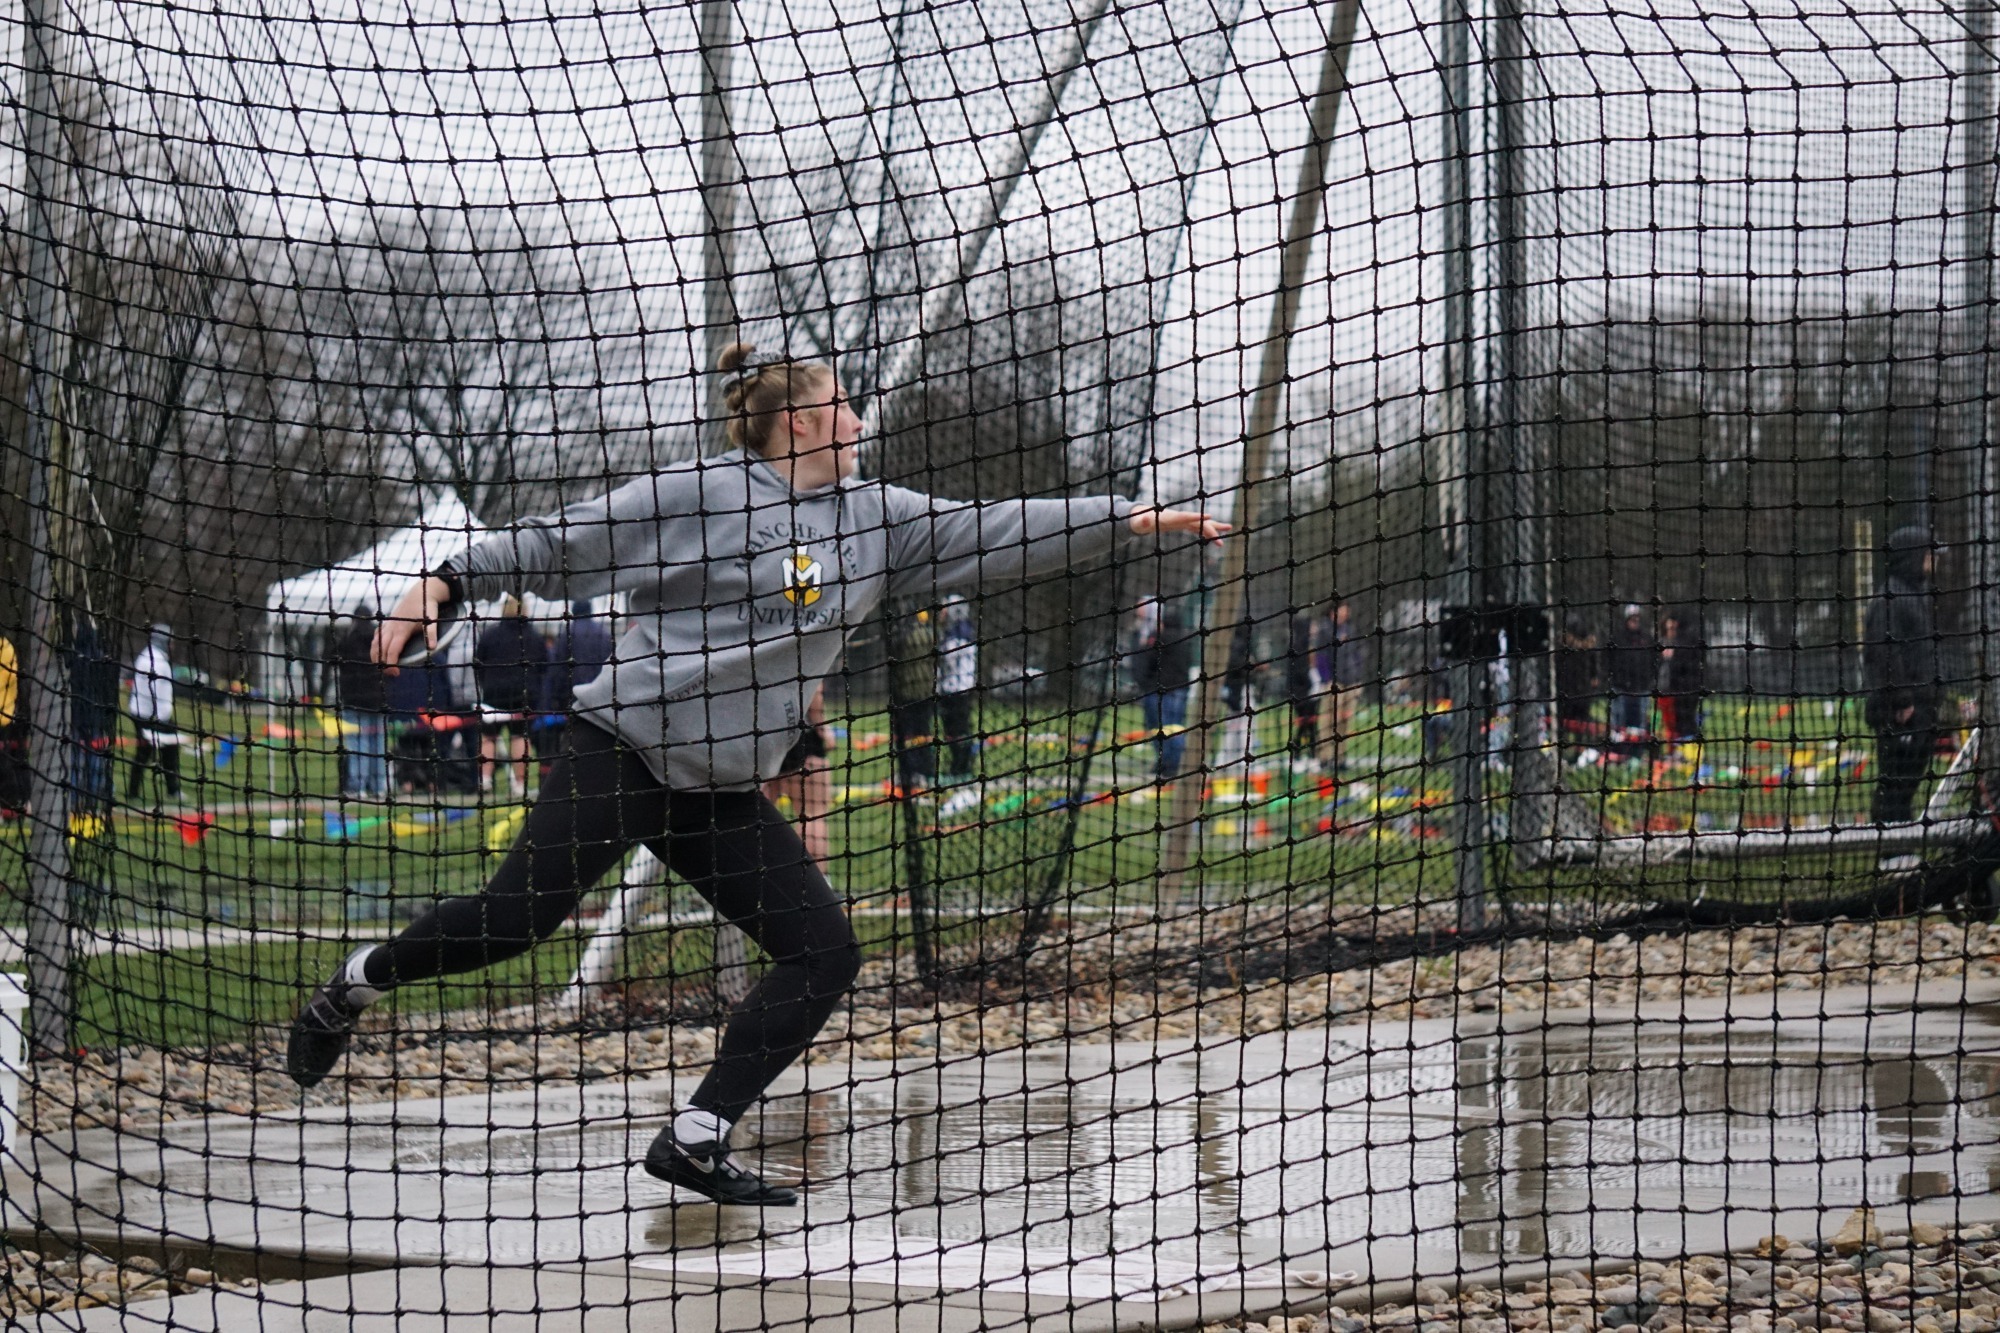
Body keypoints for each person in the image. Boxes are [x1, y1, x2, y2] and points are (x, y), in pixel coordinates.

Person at [285, 340, 1226, 1206]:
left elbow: (993, 529)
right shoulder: (698, 492)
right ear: (803, 420)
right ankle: (353, 985)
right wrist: (441, 580)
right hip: (626, 747)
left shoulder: (876, 519)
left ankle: (695, 1137)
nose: (859, 421)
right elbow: (558, 540)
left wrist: (1125, 519)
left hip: (721, 785)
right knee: (513, 924)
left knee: (824, 952)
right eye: (845, 404)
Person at [1865, 526, 1943, 824]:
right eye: (1928, 554)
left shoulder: (1914, 595)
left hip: (1921, 709)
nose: (1932, 560)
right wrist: (1901, 701)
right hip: (1902, 713)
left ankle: (1900, 849)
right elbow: (1882, 654)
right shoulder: (1890, 599)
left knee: (1907, 785)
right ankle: (1892, 853)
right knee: (1894, 786)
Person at [473, 597, 548, 798]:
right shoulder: (533, 636)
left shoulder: (491, 635)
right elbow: (543, 666)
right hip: (523, 695)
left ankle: (485, 780)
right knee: (519, 737)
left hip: (494, 694)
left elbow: (478, 663)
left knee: (488, 737)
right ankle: (519, 784)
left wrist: (487, 683)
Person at [763, 688, 833, 868]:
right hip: (800, 736)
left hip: (762, 737)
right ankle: (815, 885)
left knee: (756, 815)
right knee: (812, 812)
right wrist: (822, 727)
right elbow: (813, 687)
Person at [1131, 598, 1196, 783]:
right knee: (1175, 728)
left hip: (1161, 690)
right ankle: (1172, 764)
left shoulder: (1161, 639)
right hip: (1179, 690)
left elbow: (1148, 661)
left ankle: (1170, 765)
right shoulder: (1186, 639)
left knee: (1162, 729)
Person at [332, 610, 392, 798]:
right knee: (379, 744)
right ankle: (379, 786)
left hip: (354, 700)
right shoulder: (379, 640)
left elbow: (332, 661)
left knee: (358, 743)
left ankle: (358, 787)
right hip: (379, 699)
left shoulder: (347, 642)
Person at [68, 616, 119, 815]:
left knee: (76, 758)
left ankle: (74, 799)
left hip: (77, 716)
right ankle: (96, 797)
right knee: (96, 758)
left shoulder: (73, 659)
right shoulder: (102, 659)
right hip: (96, 716)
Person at [127, 623, 181, 804]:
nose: (172, 646)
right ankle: (137, 792)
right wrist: (161, 720)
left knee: (163, 752)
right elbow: (156, 692)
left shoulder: (147, 656)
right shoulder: (156, 662)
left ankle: (168, 790)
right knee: (147, 753)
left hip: (144, 713)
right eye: (170, 642)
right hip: (152, 716)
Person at [889, 606, 938, 791]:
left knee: (907, 735)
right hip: (926, 692)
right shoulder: (931, 634)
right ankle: (926, 771)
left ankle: (910, 773)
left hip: (907, 693)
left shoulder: (906, 636)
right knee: (923, 734)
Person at [934, 594, 979, 781]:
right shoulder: (952, 634)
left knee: (958, 731)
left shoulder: (960, 636)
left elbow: (949, 662)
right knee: (952, 732)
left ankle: (962, 768)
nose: (941, 614)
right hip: (952, 690)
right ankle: (958, 767)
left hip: (957, 691)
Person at [1319, 602, 1366, 773]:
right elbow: (1321, 657)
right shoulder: (1325, 630)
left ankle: (1341, 758)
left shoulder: (1350, 629)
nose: (1346, 612)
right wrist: (1327, 680)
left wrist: (1358, 679)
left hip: (1350, 682)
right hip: (1333, 683)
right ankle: (1325, 757)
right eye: (1343, 609)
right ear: (1334, 612)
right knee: (1328, 722)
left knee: (1345, 723)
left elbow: (1358, 655)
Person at [1606, 603, 1656, 758]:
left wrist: (1651, 678)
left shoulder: (1647, 639)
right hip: (1621, 688)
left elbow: (1655, 660)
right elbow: (1608, 660)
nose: (1635, 621)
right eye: (1632, 619)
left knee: (1639, 724)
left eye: (1637, 618)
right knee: (1619, 723)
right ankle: (1618, 753)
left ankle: (1636, 754)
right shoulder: (1618, 638)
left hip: (1641, 689)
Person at [1655, 608, 1707, 743]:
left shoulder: (1686, 643)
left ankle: (1687, 747)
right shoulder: (1662, 642)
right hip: (1664, 691)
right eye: (1669, 622)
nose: (1672, 625)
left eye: (1674, 622)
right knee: (1669, 724)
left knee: (1684, 722)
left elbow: (1688, 667)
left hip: (1683, 691)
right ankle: (1674, 749)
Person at [1554, 616, 1603, 745]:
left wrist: (1594, 677)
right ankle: (1562, 744)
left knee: (1581, 722)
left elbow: (1594, 666)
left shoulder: (1587, 648)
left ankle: (1580, 746)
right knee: (1564, 721)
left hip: (1582, 691)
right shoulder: (1562, 649)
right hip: (1566, 690)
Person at [1287, 610, 1321, 759]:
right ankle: (1303, 752)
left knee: (1309, 723)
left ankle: (1304, 752)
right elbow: (1300, 671)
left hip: (1307, 690)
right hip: (1302, 692)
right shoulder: (1298, 645)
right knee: (1306, 723)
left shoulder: (1305, 643)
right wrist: (1310, 683)